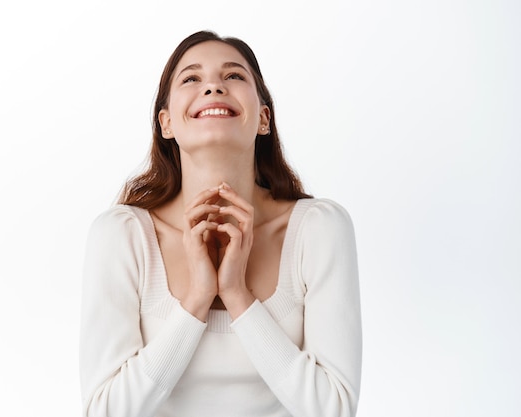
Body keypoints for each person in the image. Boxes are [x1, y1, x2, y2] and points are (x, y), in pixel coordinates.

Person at [80, 30, 362, 417]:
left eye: (234, 76)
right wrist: (197, 299)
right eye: (192, 78)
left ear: (263, 118)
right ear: (166, 123)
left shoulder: (319, 229)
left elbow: (334, 409)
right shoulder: (122, 236)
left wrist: (238, 296)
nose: (213, 86)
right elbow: (105, 411)